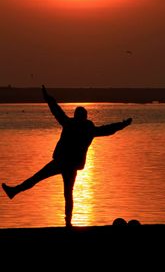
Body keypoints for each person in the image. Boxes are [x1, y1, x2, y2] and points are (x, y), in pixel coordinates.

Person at [2, 85, 132, 227]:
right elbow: (108, 129)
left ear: (78, 116)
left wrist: (48, 98)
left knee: (41, 180)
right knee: (65, 193)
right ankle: (67, 222)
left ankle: (15, 191)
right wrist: (123, 125)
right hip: (69, 164)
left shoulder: (72, 124)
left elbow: (57, 111)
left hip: (62, 162)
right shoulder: (88, 129)